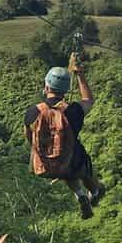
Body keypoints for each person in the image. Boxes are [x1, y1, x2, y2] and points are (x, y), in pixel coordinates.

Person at [24, 53, 106, 219]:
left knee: (66, 168)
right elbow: (88, 100)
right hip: (71, 163)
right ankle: (95, 191)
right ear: (66, 90)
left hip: (43, 167)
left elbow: (29, 137)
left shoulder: (33, 112)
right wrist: (80, 74)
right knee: (78, 164)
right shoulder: (73, 111)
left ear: (47, 87)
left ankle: (81, 195)